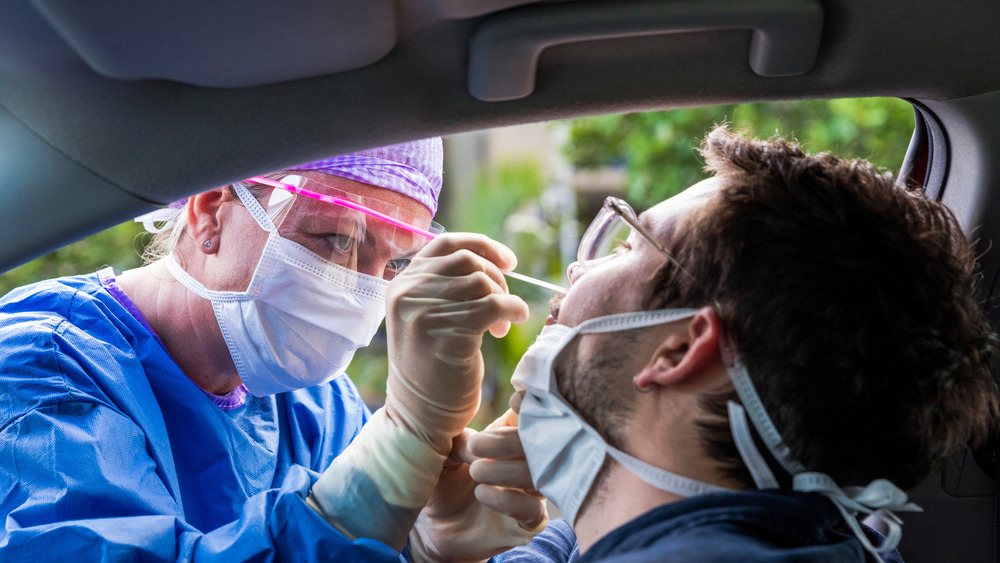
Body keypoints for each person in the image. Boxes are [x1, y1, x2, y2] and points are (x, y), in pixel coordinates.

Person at [0, 138, 545, 561]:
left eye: (394, 263)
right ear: (210, 210)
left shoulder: (316, 403)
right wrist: (397, 451)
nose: (362, 288)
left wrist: (426, 546)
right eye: (336, 238)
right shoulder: (44, 369)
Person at [487, 126, 999, 561]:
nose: (577, 269)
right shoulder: (845, 540)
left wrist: (405, 478)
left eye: (624, 246)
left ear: (682, 350)